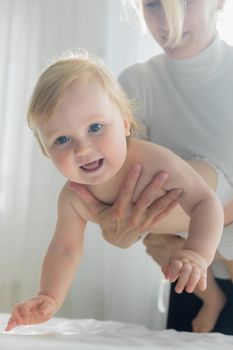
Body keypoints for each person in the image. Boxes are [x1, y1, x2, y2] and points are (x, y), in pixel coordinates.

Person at [5, 52, 228, 331]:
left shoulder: (152, 161)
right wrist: (48, 295)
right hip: (169, 232)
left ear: (124, 123)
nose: (83, 149)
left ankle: (209, 272)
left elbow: (206, 204)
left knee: (188, 253)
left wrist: (197, 253)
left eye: (95, 127)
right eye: (62, 139)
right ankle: (212, 299)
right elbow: (64, 248)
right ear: (45, 151)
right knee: (164, 254)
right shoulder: (74, 198)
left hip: (218, 199)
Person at [66, 0, 233, 334]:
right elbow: (125, 191)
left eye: (187, 2)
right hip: (188, 276)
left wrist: (212, 226)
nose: (169, 22)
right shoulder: (136, 83)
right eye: (154, 4)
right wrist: (115, 225)